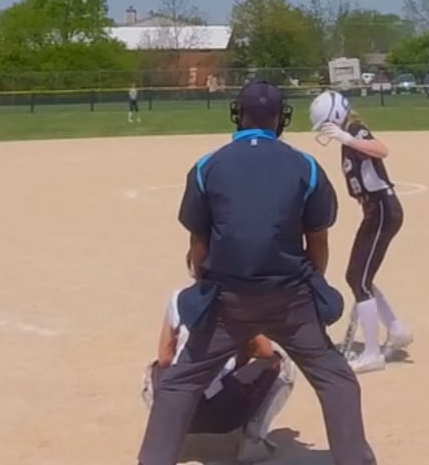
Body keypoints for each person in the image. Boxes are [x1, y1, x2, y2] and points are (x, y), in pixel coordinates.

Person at [138, 81, 376, 465]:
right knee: (336, 380)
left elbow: (198, 242)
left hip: (227, 300)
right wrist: (311, 287)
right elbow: (317, 240)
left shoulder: (208, 165)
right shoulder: (306, 166)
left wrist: (205, 286)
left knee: (180, 381)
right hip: (291, 299)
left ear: (238, 114)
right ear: (281, 119)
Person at [310, 91, 412, 375]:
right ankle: (396, 329)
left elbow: (381, 150)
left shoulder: (354, 131)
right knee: (357, 276)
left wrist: (347, 138)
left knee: (360, 280)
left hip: (383, 210)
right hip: (374, 211)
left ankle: (371, 353)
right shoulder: (348, 140)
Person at [142, 288, 296, 461]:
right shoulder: (239, 303)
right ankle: (253, 441)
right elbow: (265, 351)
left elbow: (165, 358)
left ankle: (166, 438)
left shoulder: (178, 299)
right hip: (225, 415)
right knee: (280, 362)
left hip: (177, 406)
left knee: (155, 369)